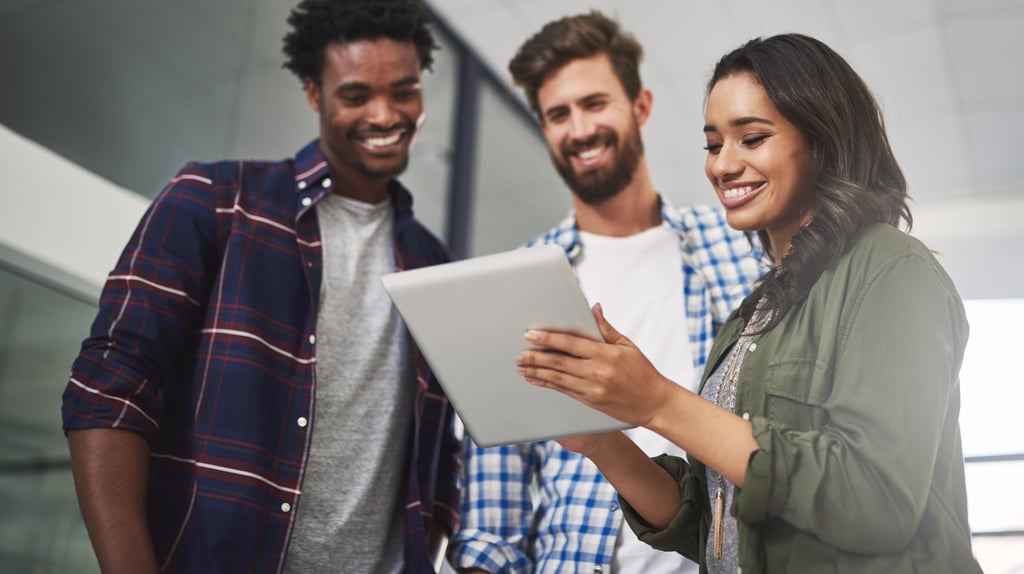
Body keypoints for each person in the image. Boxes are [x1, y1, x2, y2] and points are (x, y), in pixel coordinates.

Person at [514, 33, 984, 573]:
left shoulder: (893, 270)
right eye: (714, 145)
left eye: (752, 139)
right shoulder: (755, 310)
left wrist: (657, 401)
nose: (722, 166)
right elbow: (715, 523)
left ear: (822, 141)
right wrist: (602, 438)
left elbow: (875, 500)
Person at [60, 1, 460, 572]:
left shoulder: (433, 264)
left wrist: (433, 535)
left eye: (404, 91)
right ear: (314, 94)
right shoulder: (215, 200)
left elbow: (440, 448)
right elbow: (110, 388)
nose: (385, 114)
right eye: (355, 95)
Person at [446, 12, 763, 573]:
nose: (579, 128)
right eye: (557, 114)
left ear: (640, 106)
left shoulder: (738, 245)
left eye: (595, 103)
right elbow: (492, 521)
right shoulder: (513, 287)